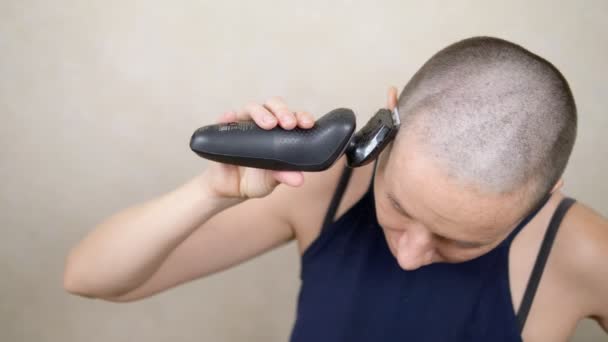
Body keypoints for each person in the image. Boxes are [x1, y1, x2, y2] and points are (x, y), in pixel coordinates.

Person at [63, 37, 608, 341]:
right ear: (385, 125)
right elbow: (91, 278)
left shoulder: (586, 253)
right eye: (396, 205)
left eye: (461, 241)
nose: (410, 255)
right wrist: (213, 190)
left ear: (545, 192)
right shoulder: (321, 191)